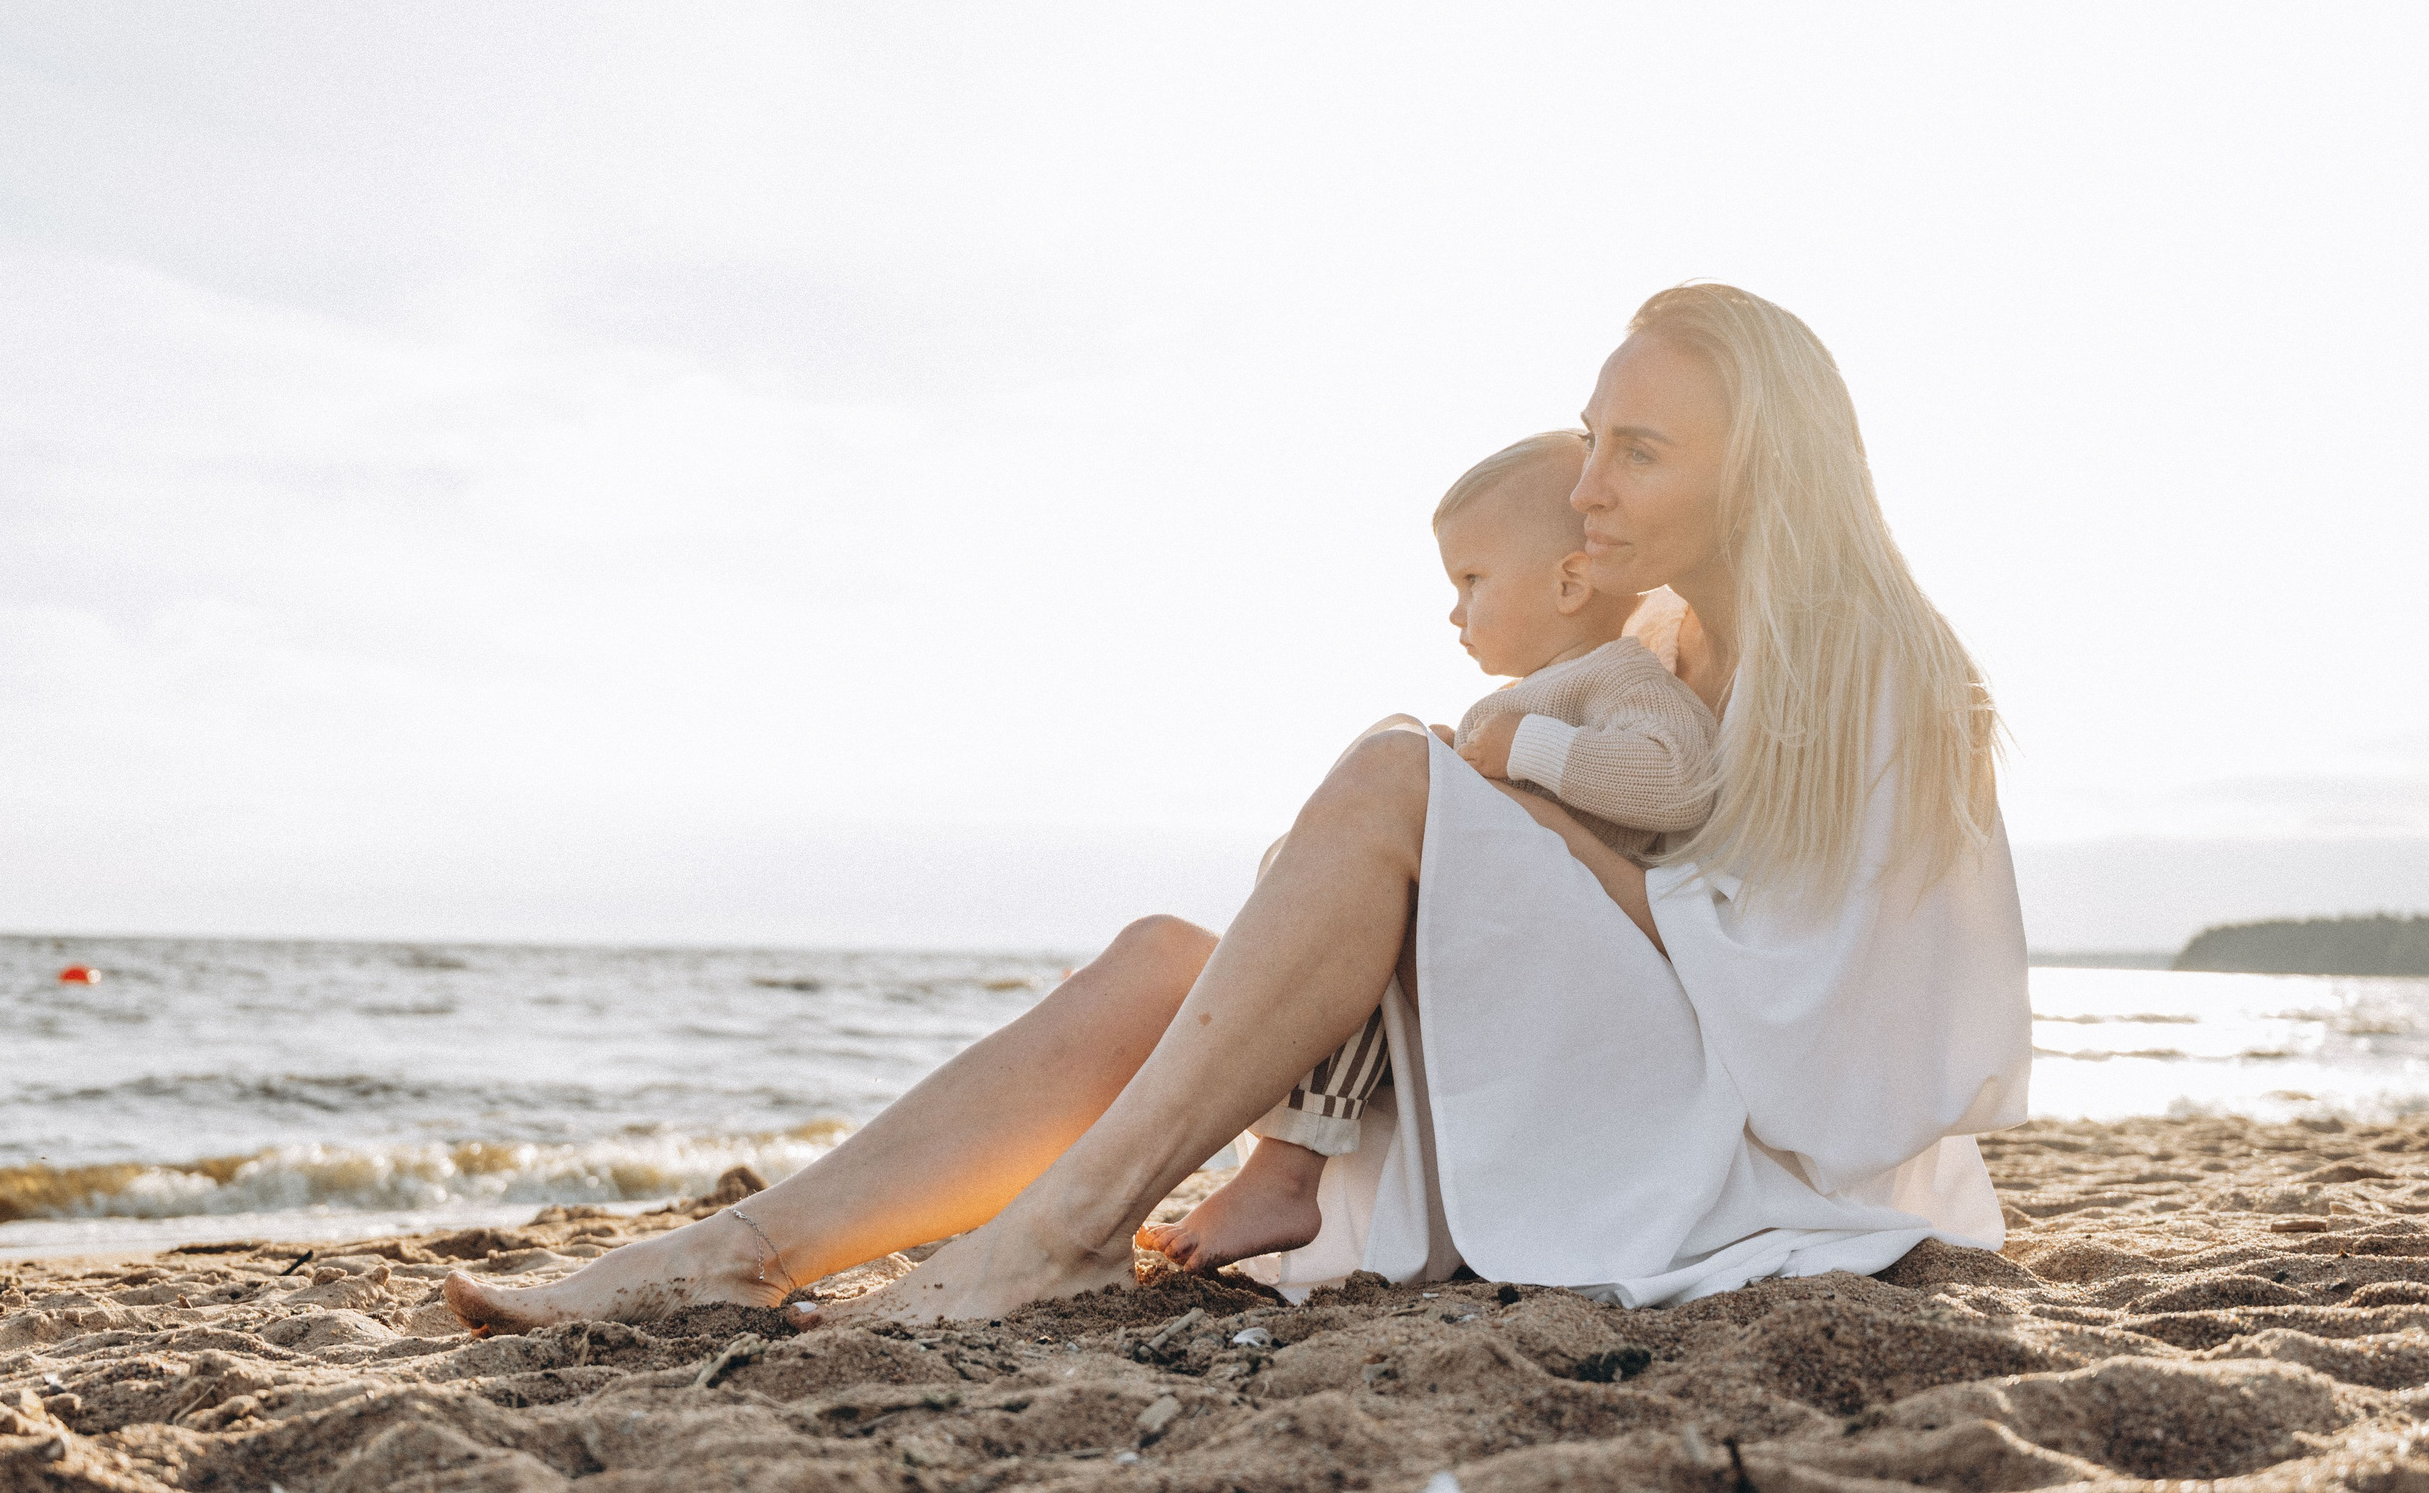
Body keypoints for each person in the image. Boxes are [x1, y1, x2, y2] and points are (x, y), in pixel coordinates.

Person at [445, 281, 2030, 1335]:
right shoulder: (1667, 645)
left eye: (1637, 449)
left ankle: (1057, 1228)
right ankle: (742, 1249)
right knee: (1161, 957)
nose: (1590, 481)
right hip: (1621, 1073)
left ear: (1758, 469)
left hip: (1746, 1156)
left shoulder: (1875, 668)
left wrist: (1514, 822)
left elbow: (1836, 1051)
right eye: (1595, 436)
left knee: (1400, 761)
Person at [1138, 428, 1717, 1273]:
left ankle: (1285, 1169)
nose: (1455, 611)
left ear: (1568, 581)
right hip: (1508, 952)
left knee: (1365, 916)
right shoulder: (1530, 696)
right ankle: (1266, 1145)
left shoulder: (1618, 678)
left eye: (1472, 581)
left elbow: (1675, 780)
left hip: (1565, 968)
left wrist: (1523, 753)